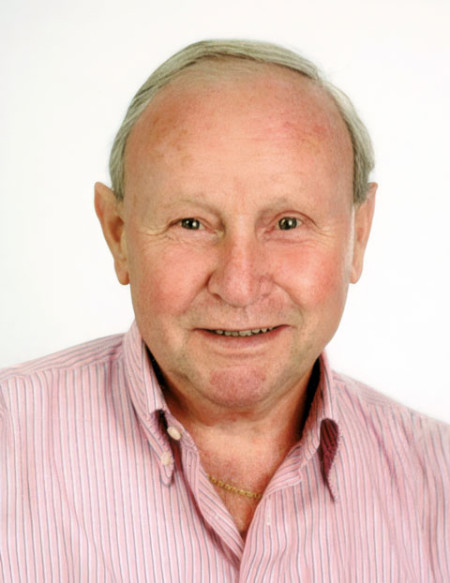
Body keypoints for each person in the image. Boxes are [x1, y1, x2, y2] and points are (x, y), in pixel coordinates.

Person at [1, 39, 448, 582]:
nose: (238, 286)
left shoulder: (440, 480)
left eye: (288, 223)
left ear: (359, 234)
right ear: (118, 235)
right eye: (190, 224)